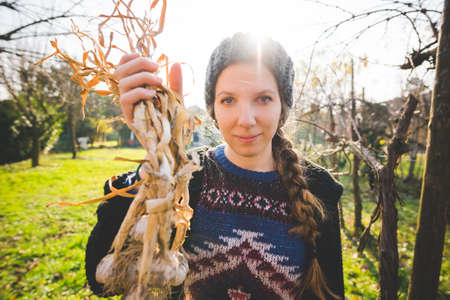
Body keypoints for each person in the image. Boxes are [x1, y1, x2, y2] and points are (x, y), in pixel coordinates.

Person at [85, 32, 344, 300]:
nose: (245, 119)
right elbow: (102, 280)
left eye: (263, 98)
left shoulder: (318, 189)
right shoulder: (187, 174)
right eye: (228, 99)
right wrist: (155, 156)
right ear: (214, 109)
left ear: (282, 106)